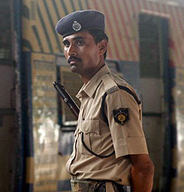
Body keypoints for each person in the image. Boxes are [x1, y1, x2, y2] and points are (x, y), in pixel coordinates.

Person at [55, 10, 155, 192]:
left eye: (80, 42)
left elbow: (143, 166)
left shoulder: (114, 94)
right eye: (66, 44)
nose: (71, 51)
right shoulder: (91, 94)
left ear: (101, 47)